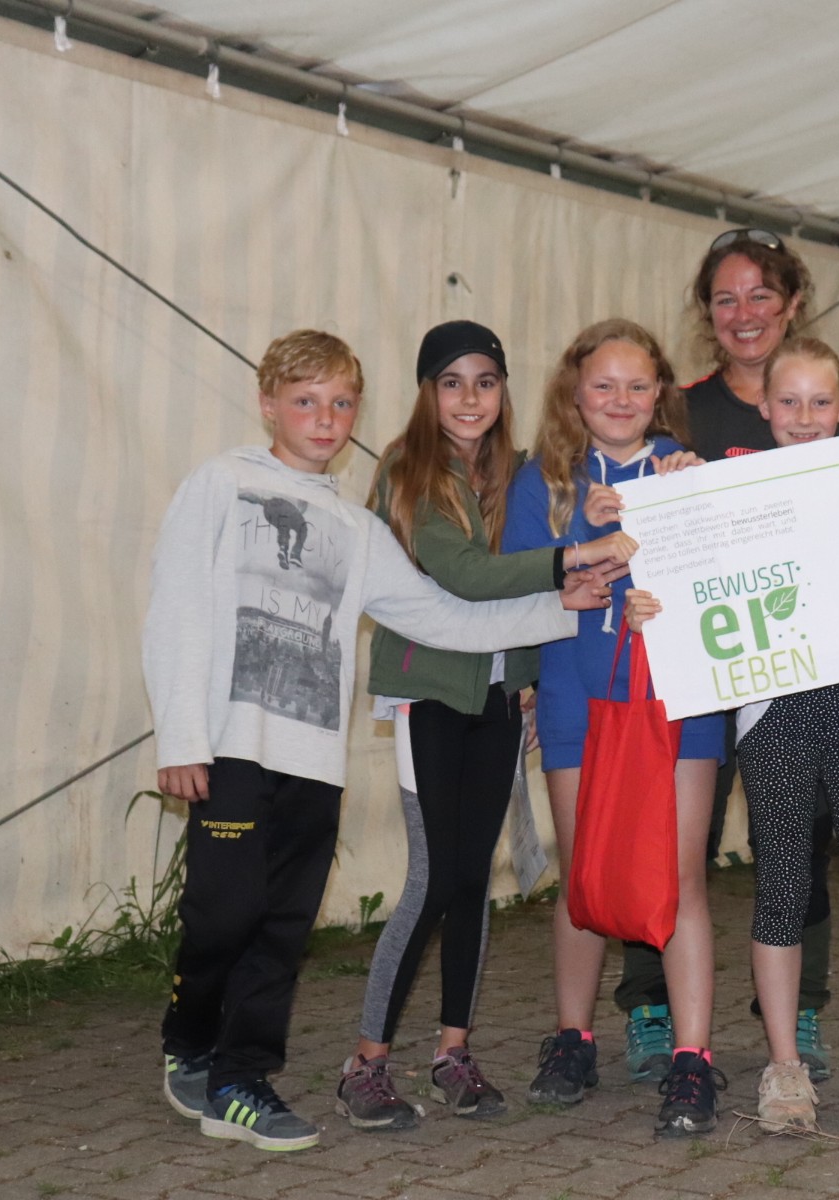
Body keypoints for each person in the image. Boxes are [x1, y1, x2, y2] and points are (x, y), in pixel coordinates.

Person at [146, 329, 578, 1151]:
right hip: (228, 746)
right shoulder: (222, 484)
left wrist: (569, 607)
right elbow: (175, 607)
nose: (325, 418)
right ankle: (190, 1038)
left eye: (342, 403)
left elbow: (443, 618)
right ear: (268, 404)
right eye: (306, 401)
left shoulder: (356, 526)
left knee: (283, 926)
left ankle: (241, 1080)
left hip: (313, 755)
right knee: (222, 916)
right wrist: (182, 738)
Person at [627, 336, 839, 1135]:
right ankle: (784, 1066)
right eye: (789, 401)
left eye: (820, 402)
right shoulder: (726, 491)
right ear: (762, 408)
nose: (804, 417)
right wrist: (674, 489)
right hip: (774, 718)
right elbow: (677, 559)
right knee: (783, 891)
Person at [332, 321, 633, 1131]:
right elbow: (465, 577)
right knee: (434, 878)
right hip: (430, 693)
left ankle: (453, 1052)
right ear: (427, 391)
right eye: (452, 381)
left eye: (486, 381)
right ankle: (366, 1062)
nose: (470, 398)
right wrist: (572, 562)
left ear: (504, 391)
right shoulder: (408, 469)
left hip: (500, 697)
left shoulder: (518, 474)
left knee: (474, 880)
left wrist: (528, 677)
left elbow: (579, 502)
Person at [614, 229, 839, 1086]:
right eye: (725, 298)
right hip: (696, 669)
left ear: (792, 303)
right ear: (707, 314)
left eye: (761, 294)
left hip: (803, 668)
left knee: (801, 836)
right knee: (669, 837)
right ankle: (651, 1004)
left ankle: (800, 1009)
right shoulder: (677, 410)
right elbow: (637, 521)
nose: (744, 312)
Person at [502, 318, 727, 1137]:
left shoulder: (686, 474)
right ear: (575, 391)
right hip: (577, 695)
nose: (621, 399)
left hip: (679, 695)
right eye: (604, 385)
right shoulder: (545, 481)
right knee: (585, 876)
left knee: (680, 876)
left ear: (660, 392)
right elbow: (520, 585)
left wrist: (680, 521)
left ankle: (692, 1058)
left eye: (638, 385)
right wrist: (586, 537)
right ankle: (573, 1038)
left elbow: (725, 577)